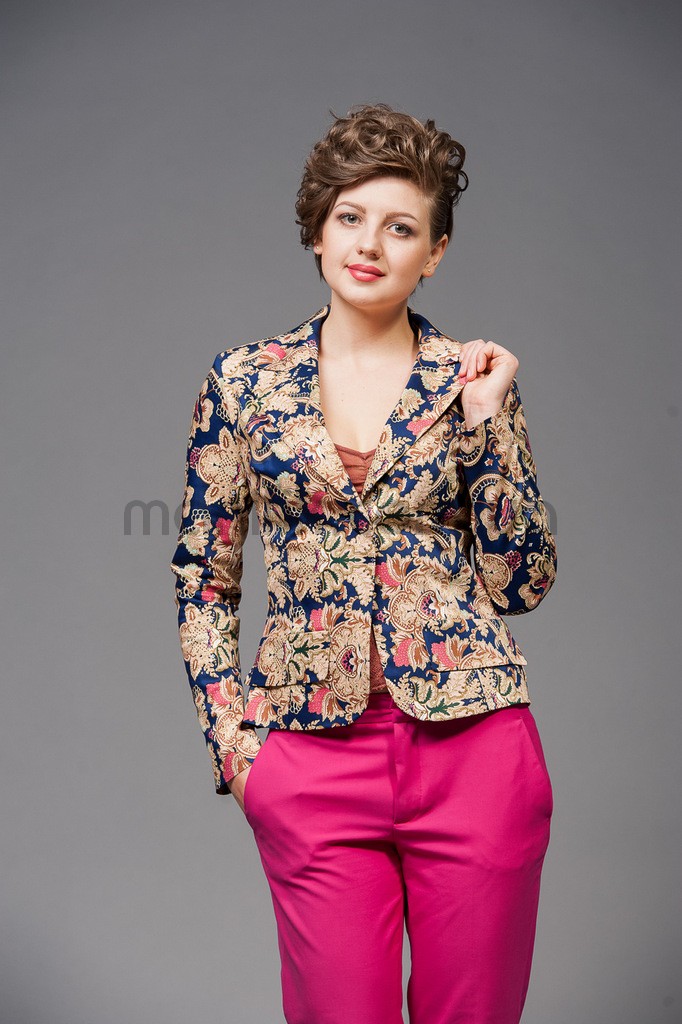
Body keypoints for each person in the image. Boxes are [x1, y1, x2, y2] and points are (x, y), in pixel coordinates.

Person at [169, 102, 558, 1024]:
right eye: (350, 217)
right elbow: (203, 577)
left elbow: (523, 581)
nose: (370, 245)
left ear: (436, 252)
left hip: (475, 750)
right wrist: (235, 745)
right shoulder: (243, 383)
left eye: (401, 227)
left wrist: (486, 426)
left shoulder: (471, 380)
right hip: (308, 753)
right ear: (317, 229)